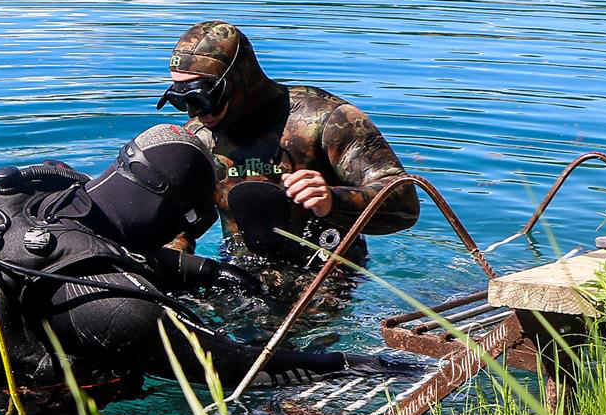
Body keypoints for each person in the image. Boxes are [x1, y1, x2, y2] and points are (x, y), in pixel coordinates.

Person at [0, 123, 409, 407]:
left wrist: (211, 272)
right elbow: (244, 368)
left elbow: (114, 244)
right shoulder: (128, 308)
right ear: (175, 211)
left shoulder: (44, 196)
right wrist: (358, 363)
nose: (184, 238)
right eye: (186, 223)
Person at [158, 22, 419, 270]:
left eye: (203, 98)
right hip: (240, 275)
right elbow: (180, 219)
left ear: (240, 80)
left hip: (325, 277)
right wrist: (175, 260)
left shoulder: (328, 121)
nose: (196, 113)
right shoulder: (199, 137)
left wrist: (333, 200)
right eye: (181, 101)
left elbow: (405, 203)